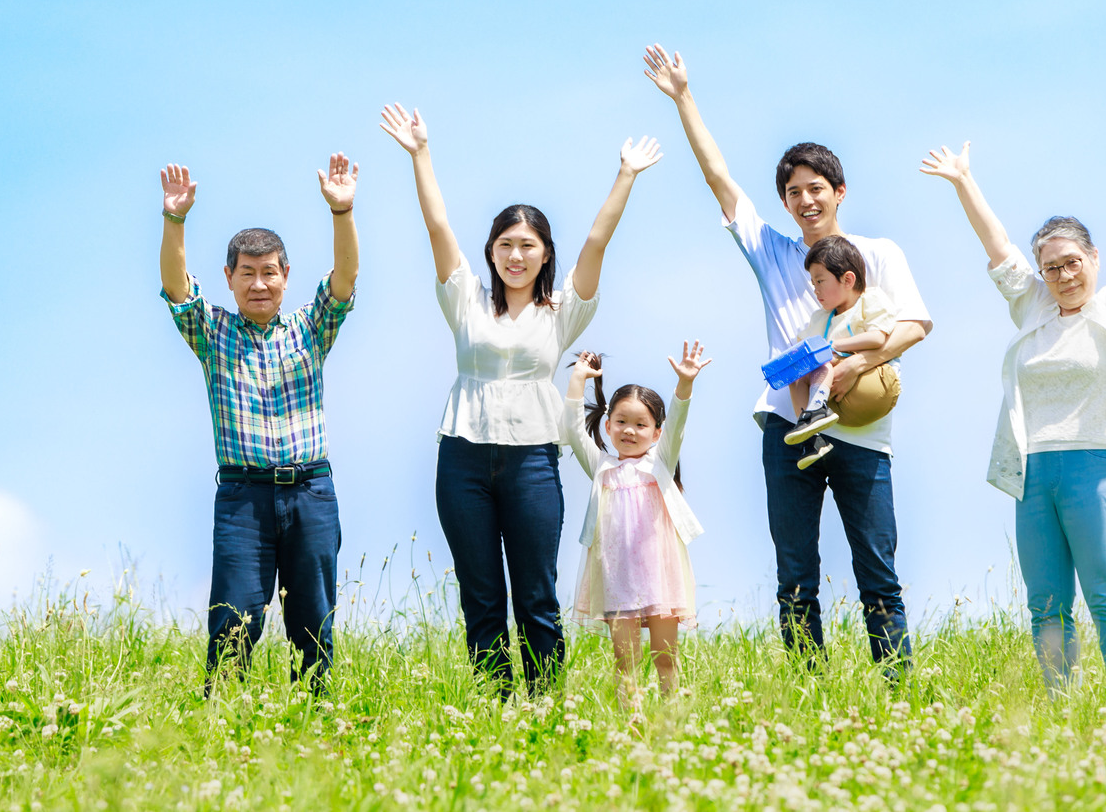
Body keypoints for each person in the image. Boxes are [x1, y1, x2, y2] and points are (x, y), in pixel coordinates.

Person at [642, 44, 930, 670]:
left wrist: (853, 362)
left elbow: (916, 324)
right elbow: (720, 180)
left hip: (864, 428)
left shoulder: (878, 253)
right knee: (795, 572)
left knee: (877, 569)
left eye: (816, 189)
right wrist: (684, 97)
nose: (805, 200)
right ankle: (808, 690)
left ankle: (901, 693)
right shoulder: (774, 253)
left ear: (840, 192)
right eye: (793, 192)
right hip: (789, 428)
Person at [380, 102, 660, 693]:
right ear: (490, 251)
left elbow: (596, 242)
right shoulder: (465, 301)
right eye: (505, 244)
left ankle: (544, 702)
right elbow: (437, 227)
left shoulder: (561, 314)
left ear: (544, 254)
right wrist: (420, 154)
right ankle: (492, 702)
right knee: (481, 592)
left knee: (535, 592)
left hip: (533, 460)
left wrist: (626, 176)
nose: (515, 255)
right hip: (462, 458)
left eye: (528, 245)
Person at [920, 139, 1106, 697]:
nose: (1063, 276)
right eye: (1051, 268)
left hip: (1095, 465)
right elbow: (999, 248)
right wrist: (962, 181)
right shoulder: (1034, 307)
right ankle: (1061, 707)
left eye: (1072, 263)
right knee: (1046, 603)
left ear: (1094, 260)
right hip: (1033, 471)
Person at [158, 153, 360, 690]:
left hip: (310, 490)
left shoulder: (309, 329)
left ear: (286, 276)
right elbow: (177, 290)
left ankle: (317, 718)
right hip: (243, 498)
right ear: (229, 278)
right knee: (235, 616)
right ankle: (222, 722)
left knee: (313, 620)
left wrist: (342, 213)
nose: (260, 284)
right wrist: (174, 220)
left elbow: (344, 280)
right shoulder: (214, 333)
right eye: (247, 273)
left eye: (269, 272)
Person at [559, 343, 709, 699]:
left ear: (657, 433)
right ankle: (632, 725)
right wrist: (578, 379)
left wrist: (684, 384)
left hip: (661, 577)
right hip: (617, 577)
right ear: (608, 425)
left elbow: (679, 419)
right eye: (622, 422)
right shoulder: (602, 468)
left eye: (641, 424)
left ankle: (670, 722)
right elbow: (574, 428)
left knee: (665, 657)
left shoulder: (660, 463)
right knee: (625, 660)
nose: (629, 431)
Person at [784, 236, 903, 471]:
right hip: (831, 383)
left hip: (863, 376)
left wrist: (835, 346)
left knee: (823, 360)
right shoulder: (821, 318)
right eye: (813, 282)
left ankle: (817, 411)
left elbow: (878, 337)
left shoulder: (870, 300)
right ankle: (809, 433)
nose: (815, 289)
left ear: (848, 279)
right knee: (796, 374)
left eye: (820, 281)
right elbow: (804, 346)